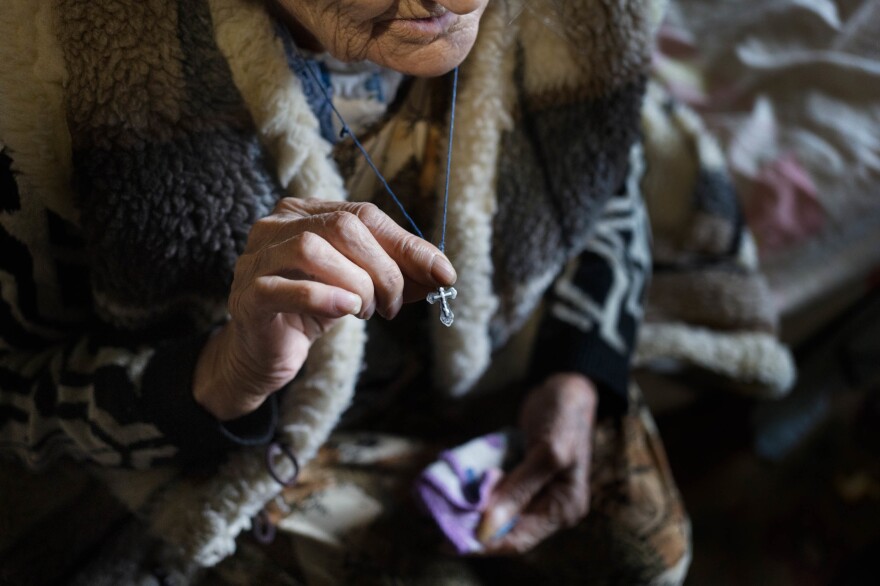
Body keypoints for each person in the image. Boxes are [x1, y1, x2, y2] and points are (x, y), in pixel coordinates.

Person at [0, 0, 690, 582]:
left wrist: (577, 371)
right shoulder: (48, 75)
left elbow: (600, 170)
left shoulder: (586, 16)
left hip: (496, 372)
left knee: (647, 552)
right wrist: (222, 375)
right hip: (243, 456)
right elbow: (18, 391)